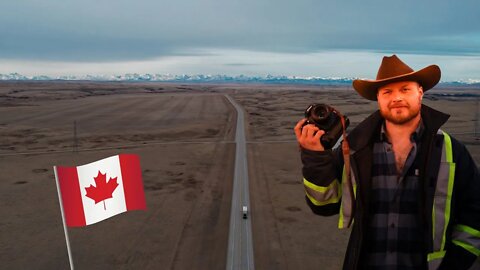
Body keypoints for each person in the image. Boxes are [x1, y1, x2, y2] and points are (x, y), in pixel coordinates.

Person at [294, 55, 480, 270]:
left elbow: (475, 214)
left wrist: (454, 264)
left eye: (405, 89)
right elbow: (324, 205)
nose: (396, 98)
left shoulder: (451, 151)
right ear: (378, 99)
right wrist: (315, 157)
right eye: (387, 92)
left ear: (420, 92)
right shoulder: (355, 150)